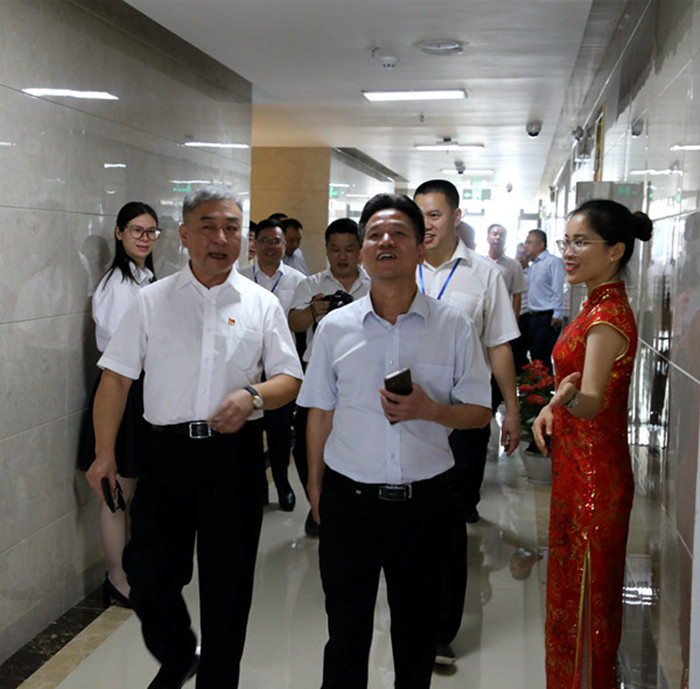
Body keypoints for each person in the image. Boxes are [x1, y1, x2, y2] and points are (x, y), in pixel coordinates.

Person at [85, 186, 303, 689]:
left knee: (228, 586)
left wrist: (251, 396)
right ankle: (180, 652)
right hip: (166, 455)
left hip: (234, 458)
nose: (221, 238)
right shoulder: (151, 301)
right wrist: (103, 454)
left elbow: (290, 379)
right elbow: (115, 379)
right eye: (208, 227)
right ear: (185, 235)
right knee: (147, 575)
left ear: (244, 239)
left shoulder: (262, 305)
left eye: (232, 228)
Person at [299, 193, 491, 689]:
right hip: (349, 502)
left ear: (420, 249)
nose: (386, 241)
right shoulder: (334, 329)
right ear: (364, 252)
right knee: (345, 634)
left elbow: (478, 413)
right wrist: (316, 489)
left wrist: (431, 410)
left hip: (425, 505)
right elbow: (319, 412)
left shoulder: (453, 326)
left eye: (400, 233)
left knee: (416, 636)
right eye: (375, 235)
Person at [532, 199, 652, 689]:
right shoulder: (595, 305)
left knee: (585, 607)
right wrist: (552, 405)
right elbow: (579, 390)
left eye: (581, 242)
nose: (568, 251)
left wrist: (563, 399)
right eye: (567, 241)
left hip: (593, 485)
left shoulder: (606, 318)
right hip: (578, 472)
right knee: (572, 600)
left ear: (615, 250)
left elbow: (591, 402)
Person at [413, 179, 520, 663]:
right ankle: (408, 613)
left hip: (462, 417)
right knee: (407, 518)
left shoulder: (484, 274)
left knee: (448, 519)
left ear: (456, 217)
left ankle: (440, 629)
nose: (426, 225)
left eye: (435, 215)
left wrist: (511, 409)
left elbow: (498, 345)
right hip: (404, 416)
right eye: (419, 215)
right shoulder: (399, 265)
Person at [79, 201, 159, 608]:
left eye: (150, 231)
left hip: (143, 390)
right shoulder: (116, 285)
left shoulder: (146, 278)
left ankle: (131, 569)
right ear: (119, 233)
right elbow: (120, 348)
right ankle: (117, 577)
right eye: (136, 231)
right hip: (121, 391)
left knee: (135, 490)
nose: (144, 239)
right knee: (117, 491)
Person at [288, 218, 370, 535]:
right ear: (326, 249)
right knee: (306, 443)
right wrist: (314, 311)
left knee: (352, 441)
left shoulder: (374, 285)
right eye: (335, 249)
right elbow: (293, 323)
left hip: (360, 377)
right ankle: (316, 501)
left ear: (360, 250)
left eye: (349, 249)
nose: (342, 256)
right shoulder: (311, 284)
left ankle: (344, 503)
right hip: (318, 374)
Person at [239, 219, 306, 511]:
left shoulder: (298, 280)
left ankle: (282, 484)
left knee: (279, 431)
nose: (270, 246)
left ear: (284, 245)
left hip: (279, 367)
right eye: (264, 240)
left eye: (276, 241)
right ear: (254, 244)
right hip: (246, 363)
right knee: (250, 430)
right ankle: (256, 488)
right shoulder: (239, 277)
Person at [485, 223, 528, 407]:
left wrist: (513, 322)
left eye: (501, 235)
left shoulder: (513, 265)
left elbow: (517, 294)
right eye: (494, 234)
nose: (497, 237)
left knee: (501, 359)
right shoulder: (479, 262)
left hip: (502, 322)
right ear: (487, 238)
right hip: (482, 321)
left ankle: (498, 399)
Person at [523, 229, 566, 371]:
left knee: (543, 357)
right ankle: (537, 384)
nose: (526, 246)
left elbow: (557, 289)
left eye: (529, 242)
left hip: (547, 316)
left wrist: (558, 313)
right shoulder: (534, 265)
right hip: (533, 316)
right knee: (535, 355)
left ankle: (547, 384)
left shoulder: (553, 262)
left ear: (541, 244)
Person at [511, 242, 531, 372]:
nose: (521, 257)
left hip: (526, 315)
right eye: (519, 253)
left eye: (524, 254)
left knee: (522, 349)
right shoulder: (510, 270)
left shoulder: (533, 272)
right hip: (511, 314)